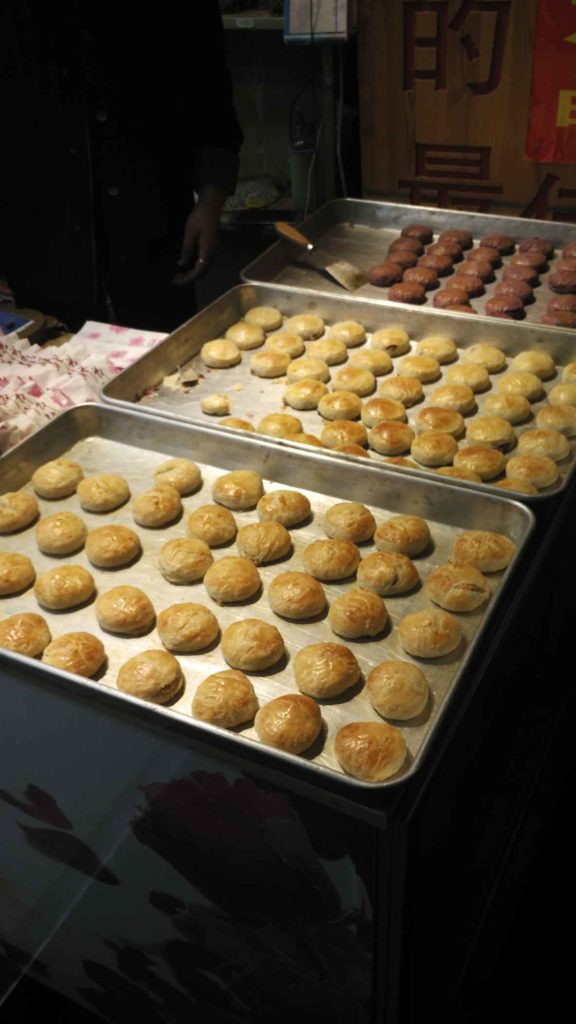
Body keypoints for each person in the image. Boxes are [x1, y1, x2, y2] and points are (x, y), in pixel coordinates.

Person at [0, 1, 243, 331]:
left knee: (165, 360)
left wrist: (212, 200)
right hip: (42, 233)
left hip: (152, 221)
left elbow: (210, 91)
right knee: (52, 368)